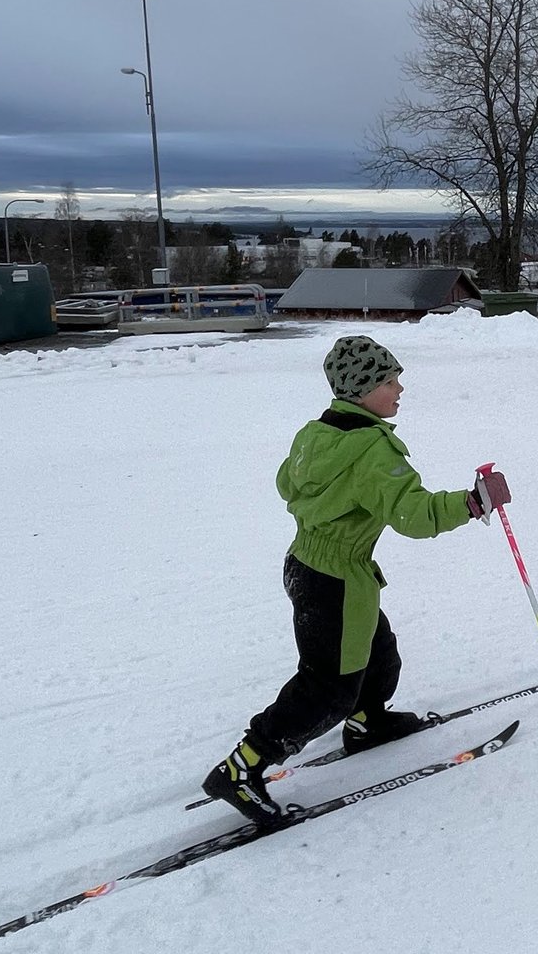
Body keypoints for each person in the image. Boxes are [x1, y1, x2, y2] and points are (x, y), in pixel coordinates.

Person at [203, 334, 510, 828]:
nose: (400, 388)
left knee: (376, 650)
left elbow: (287, 482)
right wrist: (473, 503)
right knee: (327, 686)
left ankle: (368, 723)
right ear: (362, 389)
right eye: (390, 380)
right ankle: (241, 769)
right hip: (337, 580)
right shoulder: (370, 449)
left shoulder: (317, 433)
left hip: (307, 563)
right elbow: (414, 515)